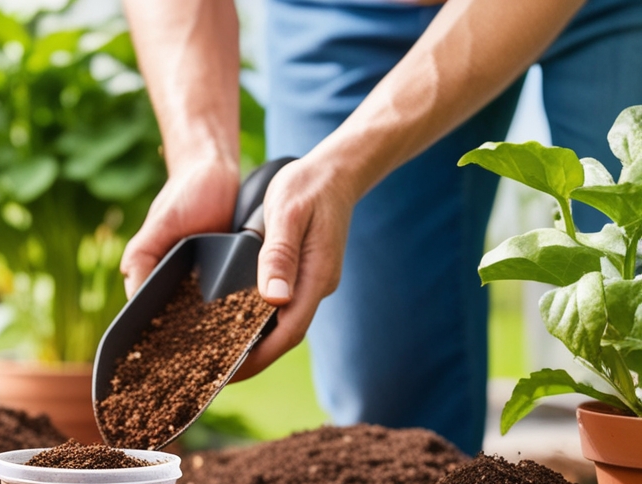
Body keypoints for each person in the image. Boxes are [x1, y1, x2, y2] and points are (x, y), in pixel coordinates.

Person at [120, 0, 642, 456]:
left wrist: (342, 167)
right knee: (393, 413)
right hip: (350, 9)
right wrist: (200, 156)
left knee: (630, 284)